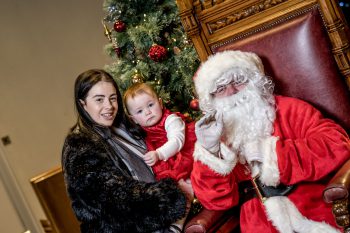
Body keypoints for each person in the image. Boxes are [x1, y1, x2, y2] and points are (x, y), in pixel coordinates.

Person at [191, 50, 350, 233]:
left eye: (238, 81)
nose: (232, 92)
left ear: (255, 81)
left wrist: (273, 153)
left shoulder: (289, 110)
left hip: (313, 212)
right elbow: (214, 200)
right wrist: (211, 152)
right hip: (259, 223)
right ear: (211, 100)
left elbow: (337, 144)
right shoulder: (217, 137)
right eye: (221, 89)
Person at [61, 69, 193, 233]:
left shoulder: (124, 127)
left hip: (165, 222)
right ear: (83, 104)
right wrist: (173, 195)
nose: (109, 106)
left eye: (113, 98)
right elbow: (115, 200)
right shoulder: (79, 145)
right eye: (99, 100)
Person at [123, 82, 195, 182]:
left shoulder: (171, 120)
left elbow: (177, 140)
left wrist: (158, 154)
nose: (148, 112)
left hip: (183, 153)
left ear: (160, 103)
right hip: (164, 161)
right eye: (140, 111)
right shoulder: (140, 132)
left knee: (190, 172)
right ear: (133, 119)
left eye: (150, 105)